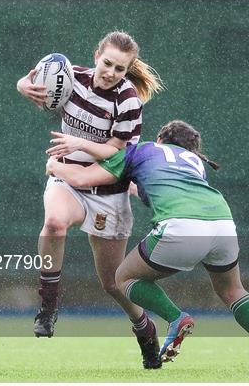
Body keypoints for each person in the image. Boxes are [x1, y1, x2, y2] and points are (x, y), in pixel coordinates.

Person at [45, 120, 249, 371]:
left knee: (123, 278)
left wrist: (55, 166)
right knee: (233, 291)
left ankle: (176, 318)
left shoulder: (142, 149)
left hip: (181, 227)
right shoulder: (195, 162)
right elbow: (163, 185)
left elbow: (81, 178)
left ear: (160, 139)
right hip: (223, 224)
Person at [16, 31, 163, 369]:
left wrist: (78, 144)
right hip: (67, 177)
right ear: (97, 55)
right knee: (54, 223)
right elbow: (30, 78)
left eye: (120, 69)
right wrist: (24, 85)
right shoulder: (72, 78)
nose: (111, 72)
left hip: (107, 191)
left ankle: (145, 329)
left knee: (113, 283)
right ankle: (48, 306)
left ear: (128, 71)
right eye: (107, 63)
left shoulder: (127, 101)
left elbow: (116, 152)